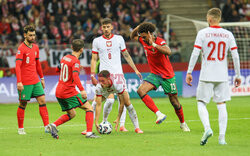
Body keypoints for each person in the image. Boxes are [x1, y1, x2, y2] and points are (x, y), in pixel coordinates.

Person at [186, 8, 241, 145]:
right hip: (222, 75)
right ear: (219, 19)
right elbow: (235, 56)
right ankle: (222, 139)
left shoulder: (203, 33)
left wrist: (189, 72)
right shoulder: (228, 34)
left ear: (209, 19)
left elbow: (195, 53)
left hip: (206, 74)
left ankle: (208, 128)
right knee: (221, 104)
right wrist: (238, 75)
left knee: (201, 102)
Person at [82, 18, 142, 134]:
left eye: (108, 26)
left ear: (112, 27)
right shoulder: (97, 41)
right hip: (104, 77)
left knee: (125, 101)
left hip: (118, 75)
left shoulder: (119, 39)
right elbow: (94, 59)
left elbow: (126, 55)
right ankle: (89, 127)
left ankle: (127, 126)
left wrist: (135, 69)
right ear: (101, 28)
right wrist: (92, 74)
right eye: (104, 27)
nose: (105, 29)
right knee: (96, 102)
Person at [130, 22, 190, 132]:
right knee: (141, 91)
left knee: (174, 102)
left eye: (144, 36)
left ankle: (183, 123)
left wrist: (153, 45)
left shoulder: (159, 41)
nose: (142, 39)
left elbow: (168, 51)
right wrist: (138, 27)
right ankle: (159, 114)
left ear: (150, 34)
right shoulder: (143, 40)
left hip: (167, 75)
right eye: (141, 36)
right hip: (155, 74)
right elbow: (132, 36)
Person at [48, 39, 99, 139]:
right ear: (82, 50)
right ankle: (89, 133)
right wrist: (82, 90)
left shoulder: (64, 57)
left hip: (58, 91)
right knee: (89, 108)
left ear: (71, 47)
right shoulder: (75, 61)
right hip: (68, 91)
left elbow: (57, 69)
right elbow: (75, 76)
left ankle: (53, 125)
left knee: (72, 113)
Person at [15, 25, 50, 135]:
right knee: (23, 104)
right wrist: (19, 81)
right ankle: (20, 128)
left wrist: (42, 78)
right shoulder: (21, 48)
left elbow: (38, 64)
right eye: (30, 35)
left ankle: (47, 126)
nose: (32, 37)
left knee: (42, 100)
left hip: (35, 80)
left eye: (34, 35)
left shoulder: (35, 47)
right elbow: (17, 66)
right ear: (25, 35)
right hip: (25, 82)